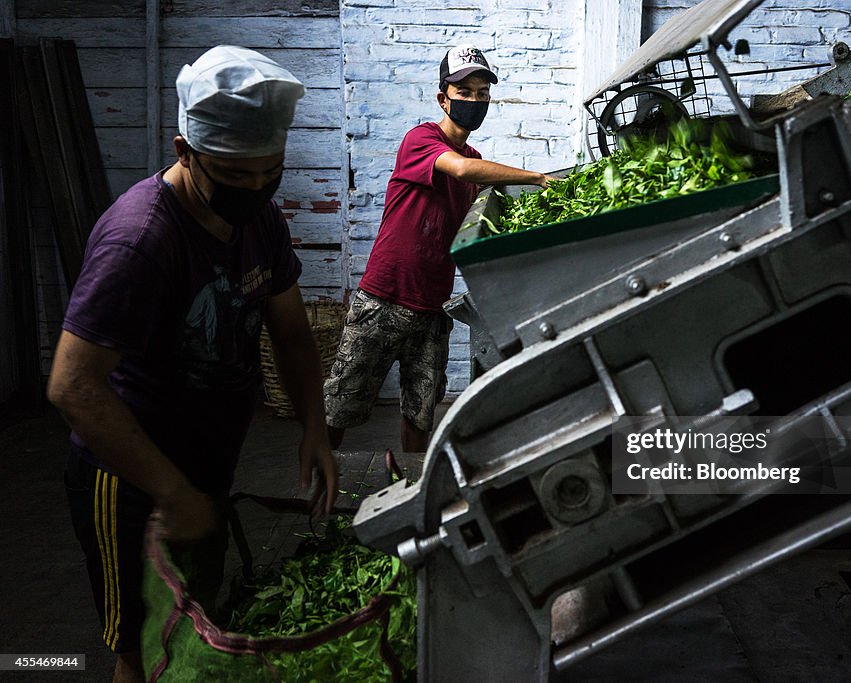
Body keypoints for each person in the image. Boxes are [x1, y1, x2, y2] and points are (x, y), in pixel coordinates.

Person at [47, 45, 338, 683]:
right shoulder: (141, 241)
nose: (257, 189)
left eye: (271, 173)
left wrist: (314, 427)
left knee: (191, 632)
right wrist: (171, 491)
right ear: (186, 152)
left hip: (204, 464)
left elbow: (290, 332)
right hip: (129, 480)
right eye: (237, 176)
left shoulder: (259, 218)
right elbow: (72, 386)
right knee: (144, 647)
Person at [324, 45, 553, 452]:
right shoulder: (422, 140)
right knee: (340, 403)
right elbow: (462, 170)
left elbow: (481, 196)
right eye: (465, 92)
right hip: (385, 298)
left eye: (482, 93)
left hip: (431, 309)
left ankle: (411, 489)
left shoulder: (474, 157)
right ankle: (316, 487)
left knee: (421, 412)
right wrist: (535, 177)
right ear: (443, 98)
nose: (475, 101)